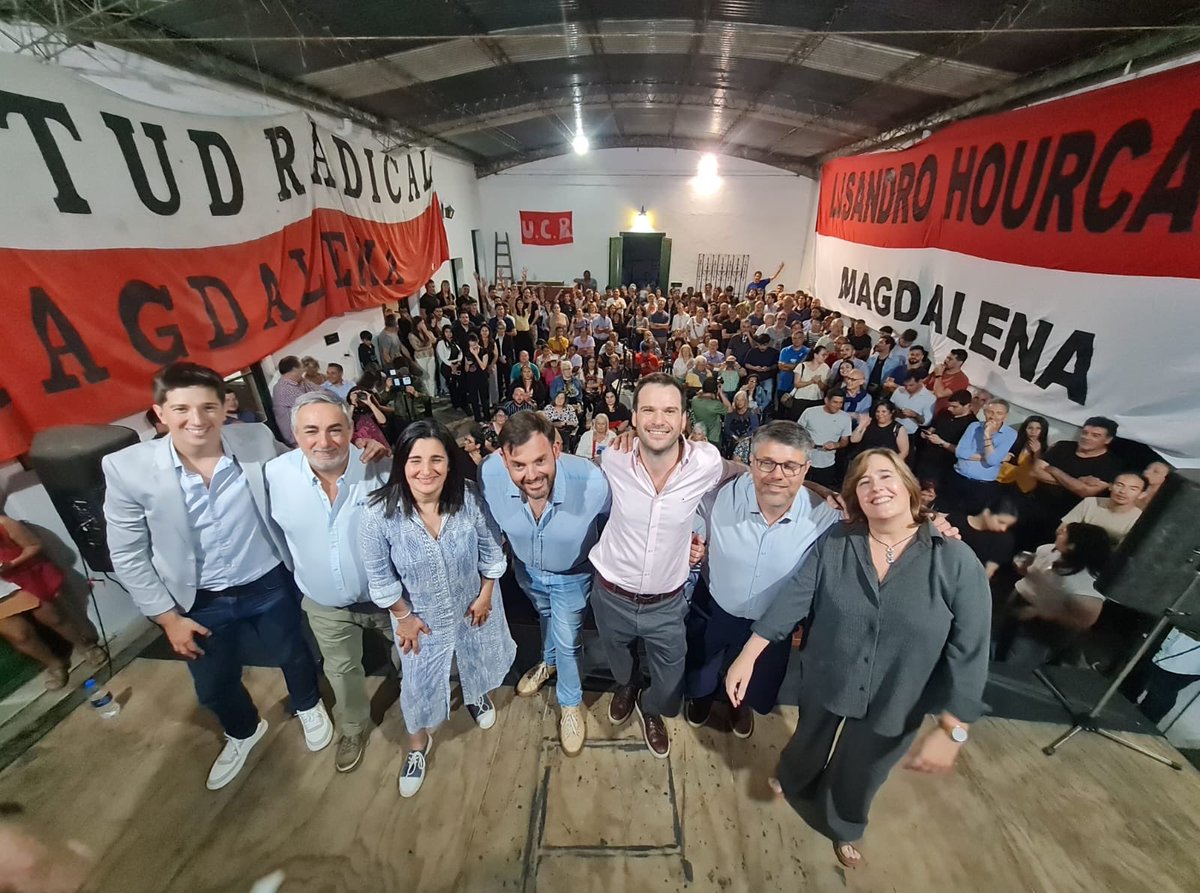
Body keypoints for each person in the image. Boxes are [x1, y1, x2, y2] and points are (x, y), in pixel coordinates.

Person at [724, 449, 990, 868]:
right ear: (855, 497)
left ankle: (843, 824)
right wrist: (749, 654)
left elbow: (971, 647)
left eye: (885, 476)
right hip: (829, 672)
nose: (875, 487)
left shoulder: (954, 559)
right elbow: (796, 597)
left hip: (900, 694)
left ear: (909, 487)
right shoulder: (837, 542)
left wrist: (953, 728)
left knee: (863, 767)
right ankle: (794, 780)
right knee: (809, 737)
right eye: (863, 482)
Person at [103, 362, 334, 791]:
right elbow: (127, 552)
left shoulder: (256, 439)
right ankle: (244, 730)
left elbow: (308, 467)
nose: (197, 420)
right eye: (182, 409)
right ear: (159, 413)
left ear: (225, 406)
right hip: (196, 600)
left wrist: (360, 454)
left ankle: (307, 703)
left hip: (266, 580)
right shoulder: (126, 469)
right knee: (212, 683)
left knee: (295, 653)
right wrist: (166, 618)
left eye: (208, 407)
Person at [359, 421, 511, 798]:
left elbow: (492, 551)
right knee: (418, 682)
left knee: (475, 658)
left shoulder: (470, 498)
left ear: (449, 462)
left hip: (473, 604)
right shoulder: (378, 512)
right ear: (401, 463)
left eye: (436, 459)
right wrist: (403, 616)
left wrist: (486, 593)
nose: (426, 470)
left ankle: (475, 695)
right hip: (418, 619)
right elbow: (379, 577)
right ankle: (417, 745)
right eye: (415, 460)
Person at [589, 374, 735, 758]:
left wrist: (820, 491)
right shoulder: (614, 457)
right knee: (619, 658)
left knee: (671, 682)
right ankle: (628, 686)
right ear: (634, 417)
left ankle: (653, 707)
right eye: (649, 410)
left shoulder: (706, 462)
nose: (659, 420)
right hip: (610, 592)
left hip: (667, 602)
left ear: (685, 418)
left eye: (669, 410)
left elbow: (748, 477)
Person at [685, 424, 842, 737]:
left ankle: (737, 706)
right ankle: (701, 700)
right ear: (751, 461)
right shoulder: (718, 494)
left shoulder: (825, 515)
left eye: (790, 466)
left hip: (771, 623)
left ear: (806, 468)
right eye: (766, 463)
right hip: (715, 605)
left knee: (756, 677)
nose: (777, 475)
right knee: (701, 663)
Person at [265, 392, 392, 773]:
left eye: (336, 429)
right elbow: (275, 534)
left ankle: (417, 717)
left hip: (388, 600)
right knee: (341, 671)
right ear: (294, 434)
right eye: (312, 431)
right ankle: (353, 727)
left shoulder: (380, 467)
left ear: (352, 429)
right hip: (324, 604)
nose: (325, 441)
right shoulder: (275, 475)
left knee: (410, 660)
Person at [479, 413, 611, 755]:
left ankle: (569, 704)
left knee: (568, 640)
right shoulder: (489, 474)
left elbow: (616, 520)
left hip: (572, 575)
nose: (532, 474)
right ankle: (547, 662)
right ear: (502, 458)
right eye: (518, 464)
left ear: (556, 448)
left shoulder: (592, 481)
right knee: (546, 618)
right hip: (526, 572)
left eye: (540, 460)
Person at [0, 514, 104, 689]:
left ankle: (84, 646)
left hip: (21, 577)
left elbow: (34, 545)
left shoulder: (3, 523)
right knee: (18, 635)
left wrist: (11, 564)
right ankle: (54, 664)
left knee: (53, 617)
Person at [997, 523, 1111, 669]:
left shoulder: (1085, 585)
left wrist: (1041, 613)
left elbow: (1083, 621)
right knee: (1001, 644)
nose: (1058, 532)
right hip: (1019, 602)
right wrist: (1024, 567)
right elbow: (1033, 566)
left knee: (1017, 663)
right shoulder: (1047, 550)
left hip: (1043, 628)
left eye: (1064, 533)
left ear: (1072, 546)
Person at [1023, 417, 1122, 548]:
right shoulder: (1063, 446)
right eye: (1085, 433)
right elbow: (1035, 471)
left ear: (1108, 440)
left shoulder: (1112, 464)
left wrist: (1054, 470)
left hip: (1065, 518)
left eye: (1095, 435)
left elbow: (1085, 492)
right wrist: (1076, 482)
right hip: (1034, 506)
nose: (1087, 437)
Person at [946, 398, 1018, 513]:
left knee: (965, 519)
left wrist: (987, 435)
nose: (993, 416)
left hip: (981, 485)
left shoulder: (1010, 434)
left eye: (999, 413)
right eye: (990, 412)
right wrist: (986, 457)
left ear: (1005, 416)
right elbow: (960, 452)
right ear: (984, 412)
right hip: (958, 476)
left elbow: (992, 461)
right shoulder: (974, 426)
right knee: (943, 511)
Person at [1122, 629, 1200, 724]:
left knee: (1161, 692)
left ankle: (1141, 725)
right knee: (1140, 676)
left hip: (1184, 656)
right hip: (1171, 639)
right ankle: (1126, 712)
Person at [944, 492, 1021, 578]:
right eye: (1001, 522)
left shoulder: (1004, 539)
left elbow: (988, 571)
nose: (1003, 528)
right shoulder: (955, 520)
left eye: (1008, 525)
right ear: (987, 513)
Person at [1059, 471, 1145, 544]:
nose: (1123, 491)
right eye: (1119, 485)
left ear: (1141, 494)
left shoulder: (1138, 519)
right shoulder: (1090, 503)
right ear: (1110, 486)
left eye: (1133, 489)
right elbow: (1062, 529)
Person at [911, 389, 975, 487]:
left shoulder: (972, 424)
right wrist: (928, 433)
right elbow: (934, 427)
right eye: (950, 405)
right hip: (926, 457)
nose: (950, 409)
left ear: (966, 406)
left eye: (954, 407)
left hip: (944, 464)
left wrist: (941, 442)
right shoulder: (944, 412)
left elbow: (961, 450)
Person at [799, 390, 852, 489]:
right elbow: (797, 431)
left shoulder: (845, 418)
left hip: (827, 464)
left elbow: (845, 441)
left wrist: (836, 445)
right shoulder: (810, 412)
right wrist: (806, 442)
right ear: (826, 400)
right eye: (835, 402)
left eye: (841, 403)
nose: (838, 406)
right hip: (804, 460)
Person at [271, 356, 318, 446]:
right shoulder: (284, 388)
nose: (304, 370)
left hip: (308, 434)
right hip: (298, 441)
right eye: (301, 367)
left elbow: (321, 391)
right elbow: (312, 403)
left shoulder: (300, 382)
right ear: (295, 369)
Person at [997, 414, 1049, 495]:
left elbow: (1038, 470)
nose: (1033, 432)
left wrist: (1037, 452)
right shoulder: (1017, 441)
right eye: (1030, 428)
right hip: (1003, 478)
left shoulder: (1046, 450)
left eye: (1038, 428)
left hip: (1022, 487)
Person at [925, 349, 970, 416]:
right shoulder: (941, 369)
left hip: (937, 413)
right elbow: (923, 384)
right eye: (947, 357)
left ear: (959, 363)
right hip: (922, 404)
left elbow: (939, 394)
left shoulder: (961, 380)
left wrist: (938, 375)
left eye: (950, 359)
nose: (946, 360)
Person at [690, 378, 729, 448]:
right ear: (715, 390)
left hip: (698, 436)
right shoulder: (716, 405)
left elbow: (701, 395)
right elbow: (730, 410)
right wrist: (720, 393)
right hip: (713, 438)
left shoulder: (694, 400)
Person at [436, 325, 466, 413]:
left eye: (450, 332)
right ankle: (456, 404)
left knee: (461, 384)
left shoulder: (455, 342)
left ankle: (463, 402)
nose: (449, 334)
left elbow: (460, 353)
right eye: (446, 332)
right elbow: (442, 357)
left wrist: (459, 362)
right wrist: (451, 365)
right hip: (447, 366)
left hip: (457, 364)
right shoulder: (441, 343)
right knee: (452, 386)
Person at [721, 391, 760, 458]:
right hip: (733, 442)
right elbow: (727, 428)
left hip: (748, 443)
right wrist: (734, 436)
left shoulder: (752, 413)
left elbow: (754, 429)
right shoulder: (730, 414)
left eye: (742, 400)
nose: (739, 402)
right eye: (737, 400)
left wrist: (743, 439)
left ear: (745, 401)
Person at [408, 317, 439, 399]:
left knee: (432, 377)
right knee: (424, 377)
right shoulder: (412, 335)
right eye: (421, 323)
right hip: (421, 358)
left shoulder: (428, 332)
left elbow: (434, 341)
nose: (423, 325)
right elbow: (416, 348)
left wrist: (425, 331)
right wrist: (428, 347)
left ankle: (432, 395)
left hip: (430, 356)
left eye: (423, 323)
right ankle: (426, 396)